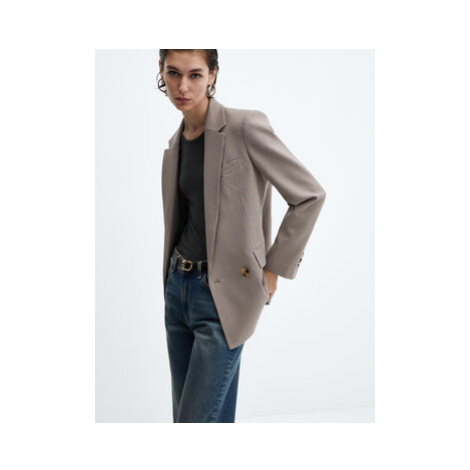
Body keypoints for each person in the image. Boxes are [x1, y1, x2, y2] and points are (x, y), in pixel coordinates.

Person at [157, 49, 327, 423]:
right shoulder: (176, 144)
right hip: (177, 290)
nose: (182, 86)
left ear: (213, 75)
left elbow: (309, 195)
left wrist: (275, 267)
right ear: (161, 72)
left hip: (224, 296)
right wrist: (171, 281)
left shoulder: (243, 127)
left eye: (195, 75)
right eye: (173, 73)